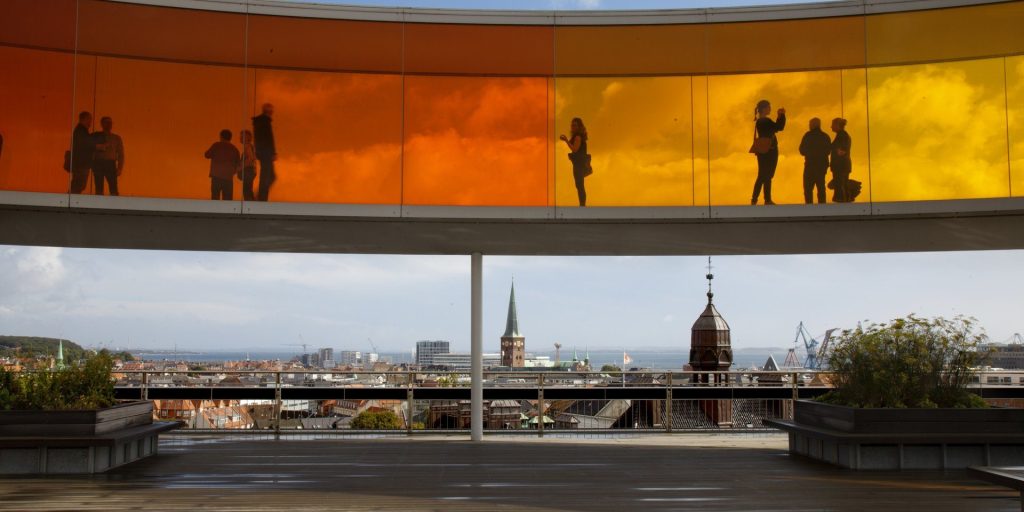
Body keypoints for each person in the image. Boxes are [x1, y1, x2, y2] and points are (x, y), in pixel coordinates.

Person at [750, 99, 786, 205]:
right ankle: (766, 199)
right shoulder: (765, 121)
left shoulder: (760, 121)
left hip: (762, 150)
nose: (770, 109)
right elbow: (779, 127)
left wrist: (779, 117)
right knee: (767, 175)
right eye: (769, 107)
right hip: (770, 150)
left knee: (762, 174)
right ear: (764, 109)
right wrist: (781, 115)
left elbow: (776, 128)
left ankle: (756, 199)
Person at [798, 117, 831, 204]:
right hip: (821, 166)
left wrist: (809, 153)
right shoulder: (825, 136)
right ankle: (822, 206)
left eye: (810, 124)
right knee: (821, 187)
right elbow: (828, 150)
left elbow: (801, 150)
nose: (809, 126)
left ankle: (809, 207)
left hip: (810, 165)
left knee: (808, 189)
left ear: (812, 125)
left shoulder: (807, 136)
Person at [559, 117, 590, 207]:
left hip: (579, 164)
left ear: (579, 126)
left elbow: (575, 149)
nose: (573, 127)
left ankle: (582, 206)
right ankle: (582, 205)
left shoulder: (578, 137)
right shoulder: (578, 136)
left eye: (575, 125)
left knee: (579, 185)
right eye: (572, 125)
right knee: (579, 185)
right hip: (579, 163)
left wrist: (566, 141)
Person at [91, 116, 125, 196]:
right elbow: (90, 149)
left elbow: (121, 154)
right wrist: (92, 164)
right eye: (107, 122)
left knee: (113, 188)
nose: (109, 124)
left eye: (110, 122)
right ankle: (99, 205)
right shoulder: (96, 136)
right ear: (102, 124)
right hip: (98, 163)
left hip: (110, 163)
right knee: (99, 189)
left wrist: (120, 168)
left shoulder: (116, 138)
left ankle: (115, 206)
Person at [205, 129, 240, 201]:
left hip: (216, 176)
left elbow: (207, 155)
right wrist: (232, 172)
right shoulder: (235, 149)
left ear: (221, 137)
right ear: (230, 138)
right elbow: (238, 165)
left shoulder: (216, 145)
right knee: (227, 201)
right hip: (228, 178)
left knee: (215, 198)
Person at [252, 103, 276, 201]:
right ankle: (261, 197)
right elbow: (268, 138)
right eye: (271, 109)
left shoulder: (261, 121)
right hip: (266, 153)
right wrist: (272, 152)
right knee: (268, 176)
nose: (272, 111)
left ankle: (260, 196)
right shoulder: (264, 121)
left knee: (268, 175)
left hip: (264, 152)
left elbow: (262, 138)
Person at [69, 111, 94, 194]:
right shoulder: (81, 131)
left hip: (79, 163)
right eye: (90, 119)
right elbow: (85, 145)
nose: (91, 121)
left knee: (78, 184)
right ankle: (73, 202)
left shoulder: (80, 130)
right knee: (78, 185)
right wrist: (97, 146)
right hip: (81, 163)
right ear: (85, 119)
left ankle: (72, 200)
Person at [830, 117, 853, 202]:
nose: (831, 127)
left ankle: (843, 204)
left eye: (832, 125)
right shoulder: (843, 135)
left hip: (840, 166)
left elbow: (842, 151)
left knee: (840, 186)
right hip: (843, 165)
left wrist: (835, 149)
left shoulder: (842, 135)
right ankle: (845, 201)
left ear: (837, 125)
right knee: (842, 185)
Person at [239, 129, 257, 201]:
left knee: (246, 192)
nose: (240, 138)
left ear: (247, 137)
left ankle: (251, 208)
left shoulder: (247, 146)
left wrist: (240, 167)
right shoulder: (251, 146)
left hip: (248, 171)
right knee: (248, 190)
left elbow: (250, 158)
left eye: (242, 136)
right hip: (251, 171)